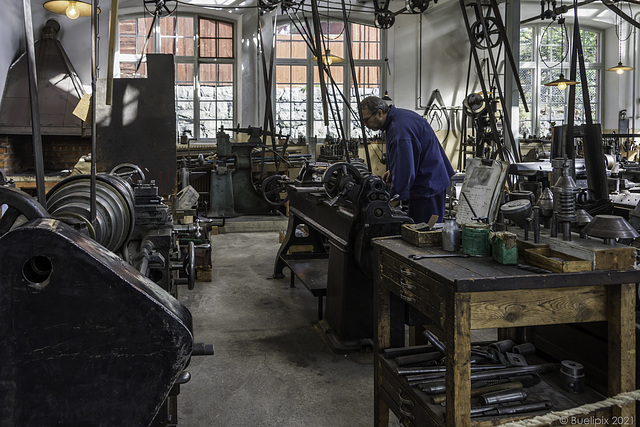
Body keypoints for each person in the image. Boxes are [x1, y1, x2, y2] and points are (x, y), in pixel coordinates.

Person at [359, 95, 454, 223]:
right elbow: (408, 157)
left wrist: (391, 204)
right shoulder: (399, 118)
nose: (365, 125)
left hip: (428, 187)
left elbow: (405, 171)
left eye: (366, 120)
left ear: (379, 113)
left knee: (424, 233)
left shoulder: (399, 130)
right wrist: (392, 171)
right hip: (428, 180)